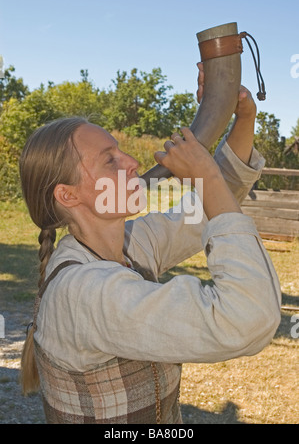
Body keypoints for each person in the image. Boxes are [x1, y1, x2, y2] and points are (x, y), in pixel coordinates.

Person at [20, 64, 281, 424]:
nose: (133, 163)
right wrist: (205, 175)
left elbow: (204, 209)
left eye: (121, 151)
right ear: (67, 194)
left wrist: (241, 117)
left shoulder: (131, 243)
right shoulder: (84, 292)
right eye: (110, 160)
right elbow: (246, 319)